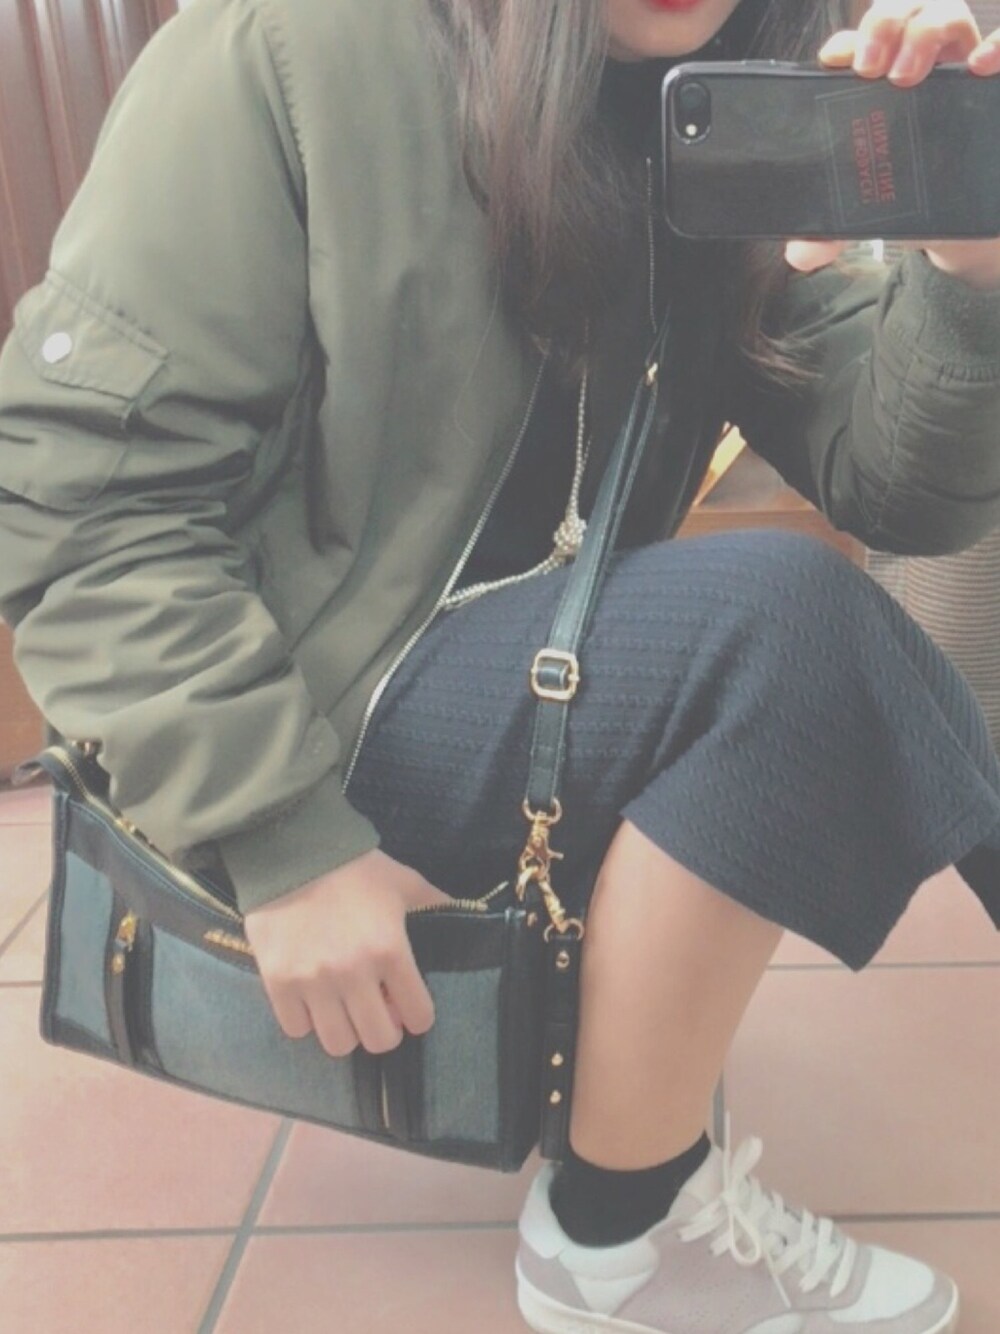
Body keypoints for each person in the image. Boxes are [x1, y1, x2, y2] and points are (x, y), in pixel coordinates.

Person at [1, 0, 999, 1327]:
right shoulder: (300, 47)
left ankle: (621, 1146)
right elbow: (81, 497)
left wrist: (968, 268)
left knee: (809, 654)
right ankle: (617, 1241)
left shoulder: (730, 102)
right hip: (305, 718)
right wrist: (279, 832)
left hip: (523, 668)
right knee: (786, 633)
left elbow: (896, 488)